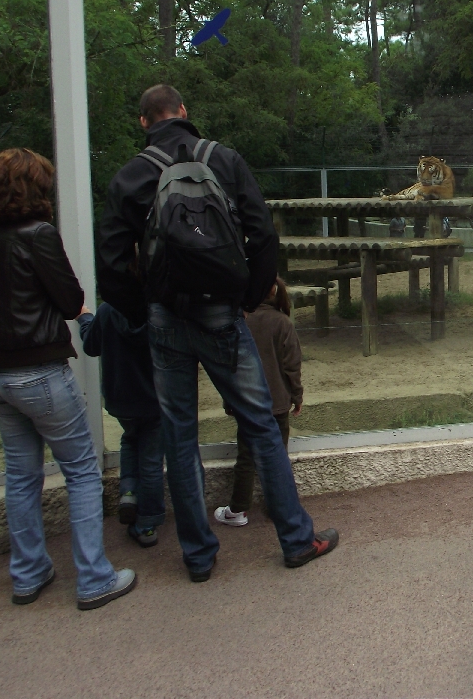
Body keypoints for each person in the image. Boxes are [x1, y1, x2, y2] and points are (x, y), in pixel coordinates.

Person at [97, 84, 337, 581]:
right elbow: (262, 232)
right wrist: (250, 298)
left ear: (144, 122)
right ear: (184, 112)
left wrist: (140, 312)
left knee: (179, 436)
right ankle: (296, 539)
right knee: (260, 425)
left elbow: (111, 262)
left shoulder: (132, 176)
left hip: (165, 319)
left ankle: (199, 557)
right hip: (223, 315)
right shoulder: (224, 160)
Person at [0, 149, 135, 610]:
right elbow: (69, 298)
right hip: (38, 372)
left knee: (21, 477)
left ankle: (28, 573)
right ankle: (95, 578)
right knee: (81, 472)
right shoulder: (38, 235)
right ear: (34, 189)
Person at [215, 277, 303, 526]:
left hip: (248, 404)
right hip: (278, 403)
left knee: (246, 458)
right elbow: (292, 366)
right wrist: (296, 396)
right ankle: (279, 507)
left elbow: (229, 367)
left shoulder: (241, 322)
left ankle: (238, 509)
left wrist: (229, 401)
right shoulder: (283, 322)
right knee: (278, 456)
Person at [79, 302, 165, 547]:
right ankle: (146, 524)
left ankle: (129, 492)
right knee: (151, 461)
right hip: (153, 400)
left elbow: (91, 345)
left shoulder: (108, 310)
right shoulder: (157, 311)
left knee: (129, 439)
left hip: (121, 400)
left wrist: (85, 319)